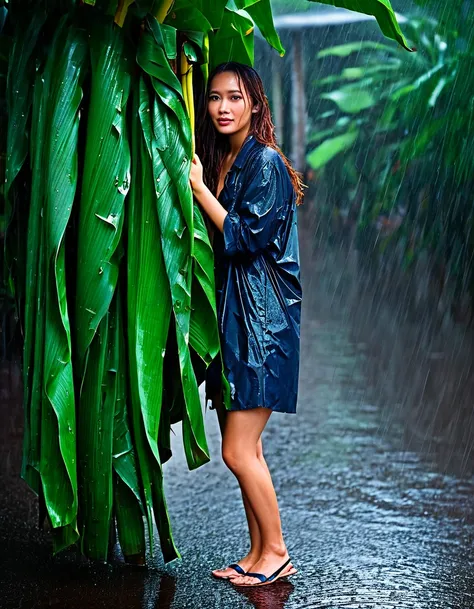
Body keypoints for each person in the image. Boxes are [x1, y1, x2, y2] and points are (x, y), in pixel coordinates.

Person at [189, 61, 303, 588]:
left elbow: (243, 238)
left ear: (254, 103)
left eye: (234, 97)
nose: (222, 107)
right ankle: (257, 552)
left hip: (263, 326)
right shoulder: (229, 160)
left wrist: (199, 189)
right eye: (214, 98)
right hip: (239, 324)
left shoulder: (266, 165)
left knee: (237, 450)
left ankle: (276, 551)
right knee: (248, 449)